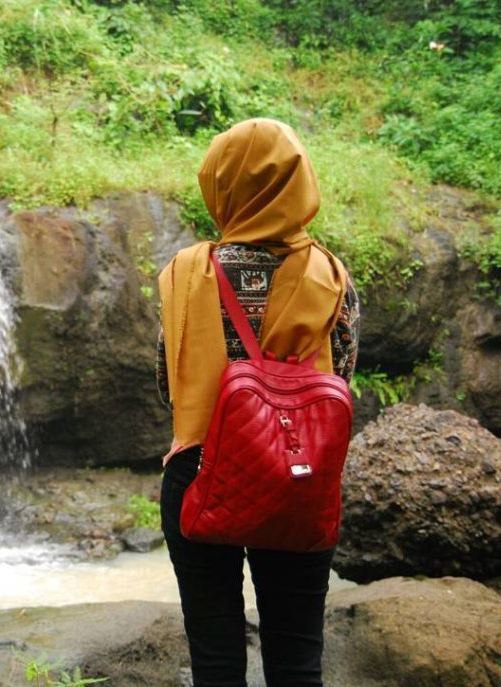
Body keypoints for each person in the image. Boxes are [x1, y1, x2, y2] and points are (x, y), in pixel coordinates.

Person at [156, 118, 360, 687]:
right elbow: (340, 377)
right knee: (298, 661)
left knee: (216, 663)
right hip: (298, 473)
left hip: (202, 470)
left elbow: (167, 385)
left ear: (222, 185)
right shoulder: (331, 274)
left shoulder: (184, 272)